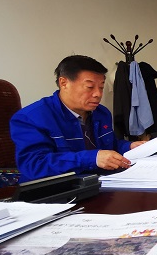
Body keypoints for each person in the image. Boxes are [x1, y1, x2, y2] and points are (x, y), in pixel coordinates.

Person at [10, 55, 146, 182]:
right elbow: (34, 165)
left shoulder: (101, 113)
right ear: (64, 83)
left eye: (101, 87)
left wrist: (130, 147)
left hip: (101, 183)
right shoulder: (30, 118)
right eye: (90, 87)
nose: (98, 94)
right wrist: (92, 158)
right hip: (58, 190)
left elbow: (110, 146)